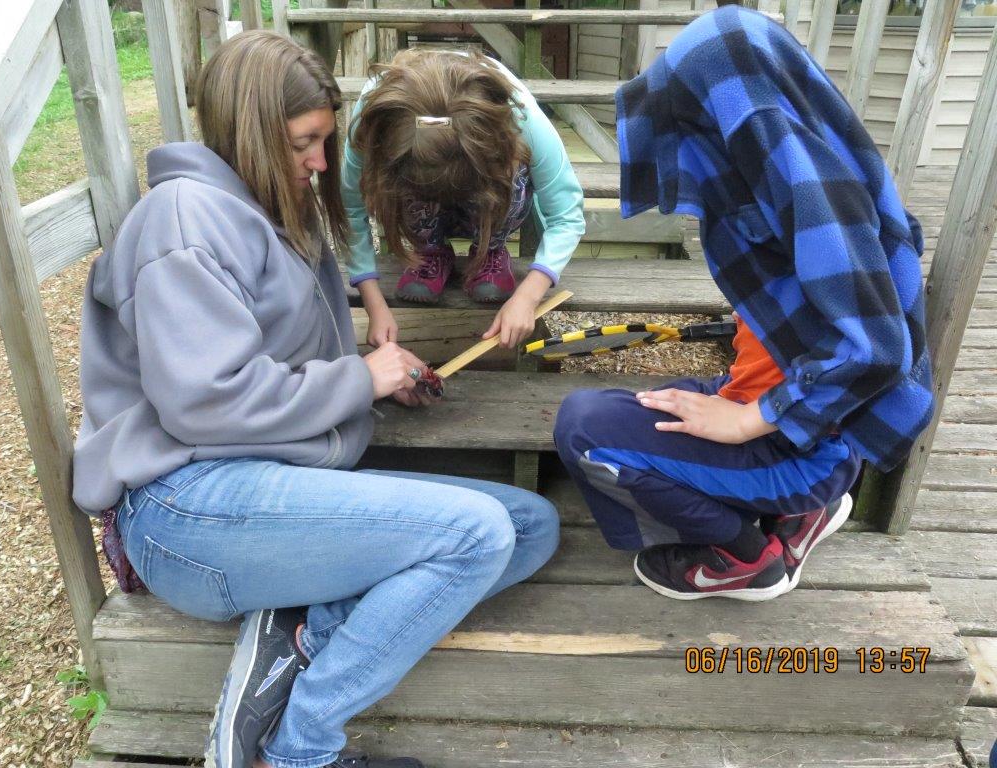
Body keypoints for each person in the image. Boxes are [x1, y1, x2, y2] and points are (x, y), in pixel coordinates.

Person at [72, 31, 559, 768]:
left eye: (326, 141)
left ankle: (299, 634)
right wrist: (358, 381)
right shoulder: (183, 223)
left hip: (268, 486)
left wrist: (377, 378)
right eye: (306, 142)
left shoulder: (268, 210)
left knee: (528, 526)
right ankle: (296, 750)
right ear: (252, 130)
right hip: (185, 506)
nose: (321, 164)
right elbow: (205, 403)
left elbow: (276, 371)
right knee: (476, 537)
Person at [553, 5, 933, 601]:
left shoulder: (814, 198)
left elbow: (878, 351)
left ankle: (745, 557)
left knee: (584, 429)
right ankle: (800, 514)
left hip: (798, 442)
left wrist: (747, 422)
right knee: (616, 405)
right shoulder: (804, 166)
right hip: (793, 415)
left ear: (736, 124)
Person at [342, 49, 585, 349]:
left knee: (514, 174)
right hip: (420, 199)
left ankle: (489, 250)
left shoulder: (520, 114)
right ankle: (429, 250)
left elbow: (566, 216)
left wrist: (528, 295)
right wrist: (375, 307)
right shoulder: (376, 117)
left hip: (489, 199)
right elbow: (350, 209)